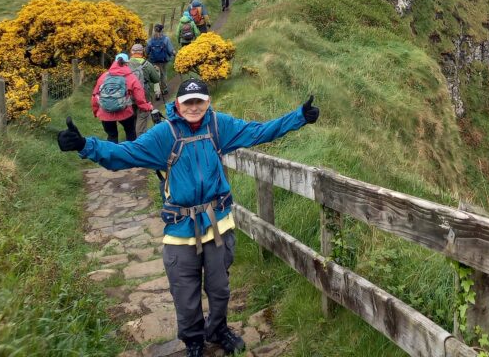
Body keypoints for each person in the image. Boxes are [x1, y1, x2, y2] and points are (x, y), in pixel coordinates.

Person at [57, 80, 320, 357]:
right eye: (188, 102)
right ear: (178, 105)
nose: (194, 107)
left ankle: (218, 329)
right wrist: (86, 145)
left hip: (218, 222)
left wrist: (299, 117)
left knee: (219, 288)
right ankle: (194, 341)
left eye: (199, 101)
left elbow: (259, 131)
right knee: (185, 292)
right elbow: (126, 154)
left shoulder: (219, 126)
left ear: (207, 103)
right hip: (180, 228)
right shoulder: (164, 135)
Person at [90, 52, 153, 143]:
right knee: (130, 132)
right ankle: (131, 154)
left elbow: (95, 95)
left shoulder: (104, 76)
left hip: (105, 113)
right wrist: (147, 107)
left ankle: (113, 155)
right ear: (127, 63)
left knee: (112, 136)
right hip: (125, 112)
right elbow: (139, 97)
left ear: (114, 62)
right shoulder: (131, 77)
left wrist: (96, 111)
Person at [129, 43, 162, 134]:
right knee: (142, 115)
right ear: (142, 52)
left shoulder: (125, 64)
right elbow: (156, 79)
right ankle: (140, 138)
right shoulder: (147, 64)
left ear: (132, 52)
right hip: (143, 93)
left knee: (132, 115)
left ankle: (132, 137)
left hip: (129, 93)